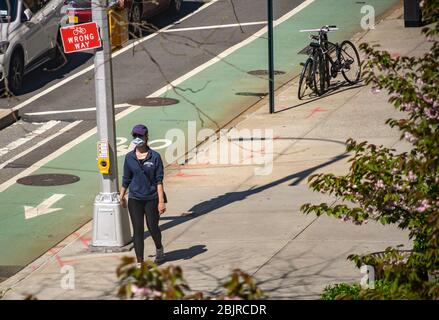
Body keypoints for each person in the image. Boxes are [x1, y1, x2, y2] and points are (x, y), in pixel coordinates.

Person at [119, 124, 166, 264]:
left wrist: (161, 201)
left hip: (151, 198)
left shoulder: (155, 157)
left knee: (153, 227)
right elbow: (126, 179)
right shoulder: (129, 158)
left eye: (140, 136)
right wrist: (121, 196)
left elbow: (159, 181)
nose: (137, 139)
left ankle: (159, 248)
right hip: (135, 198)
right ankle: (140, 262)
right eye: (135, 136)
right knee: (138, 230)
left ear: (146, 137)